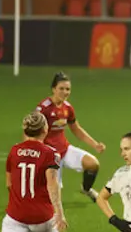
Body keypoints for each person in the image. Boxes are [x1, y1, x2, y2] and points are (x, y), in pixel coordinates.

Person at [35, 72, 106, 202]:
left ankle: (86, 189)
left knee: (93, 164)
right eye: (61, 88)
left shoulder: (68, 108)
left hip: (64, 150)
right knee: (53, 195)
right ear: (53, 89)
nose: (65, 92)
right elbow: (31, 131)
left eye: (67, 89)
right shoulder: (43, 108)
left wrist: (95, 144)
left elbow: (76, 129)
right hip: (49, 155)